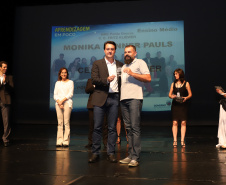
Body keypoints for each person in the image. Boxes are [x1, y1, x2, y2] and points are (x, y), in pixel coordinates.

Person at [88, 41, 123, 163]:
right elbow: (95, 79)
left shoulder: (120, 64)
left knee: (112, 128)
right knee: (97, 127)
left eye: (112, 49)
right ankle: (95, 153)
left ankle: (111, 153)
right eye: (108, 49)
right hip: (100, 97)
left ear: (115, 51)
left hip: (114, 98)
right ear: (104, 50)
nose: (110, 51)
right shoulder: (97, 63)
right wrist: (106, 80)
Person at [119, 45, 151, 167]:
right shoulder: (123, 66)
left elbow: (148, 78)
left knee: (135, 127)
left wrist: (132, 73)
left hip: (135, 99)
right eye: (125, 52)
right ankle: (130, 155)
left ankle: (135, 157)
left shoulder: (140, 62)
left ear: (135, 53)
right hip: (124, 99)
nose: (127, 54)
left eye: (129, 52)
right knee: (128, 129)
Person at [168, 68, 192, 148]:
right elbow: (169, 95)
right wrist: (172, 96)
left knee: (183, 122)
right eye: (174, 74)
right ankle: (175, 140)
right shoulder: (173, 84)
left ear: (180, 74)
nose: (175, 75)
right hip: (175, 105)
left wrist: (186, 98)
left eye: (176, 74)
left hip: (183, 105)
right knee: (174, 122)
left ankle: (182, 140)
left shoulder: (186, 83)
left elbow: (190, 94)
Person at [85, 78, 108, 149]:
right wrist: (94, 86)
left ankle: (106, 142)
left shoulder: (105, 80)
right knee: (92, 125)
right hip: (92, 104)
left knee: (105, 125)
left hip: (103, 104)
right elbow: (87, 90)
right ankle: (91, 142)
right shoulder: (90, 80)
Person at [54, 68, 74, 147]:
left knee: (66, 122)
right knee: (60, 122)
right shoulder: (57, 83)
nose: (64, 74)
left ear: (67, 74)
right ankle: (59, 141)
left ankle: (66, 141)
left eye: (65, 73)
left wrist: (62, 101)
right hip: (58, 103)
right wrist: (59, 102)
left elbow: (70, 94)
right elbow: (55, 95)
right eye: (62, 73)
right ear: (60, 74)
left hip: (67, 103)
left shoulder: (70, 82)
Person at [0, 61, 13, 147]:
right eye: (4, 67)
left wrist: (5, 83)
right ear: (0, 67)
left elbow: (12, 89)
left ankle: (5, 137)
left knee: (6, 120)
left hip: (5, 100)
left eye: (6, 67)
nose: (5, 69)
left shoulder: (9, 77)